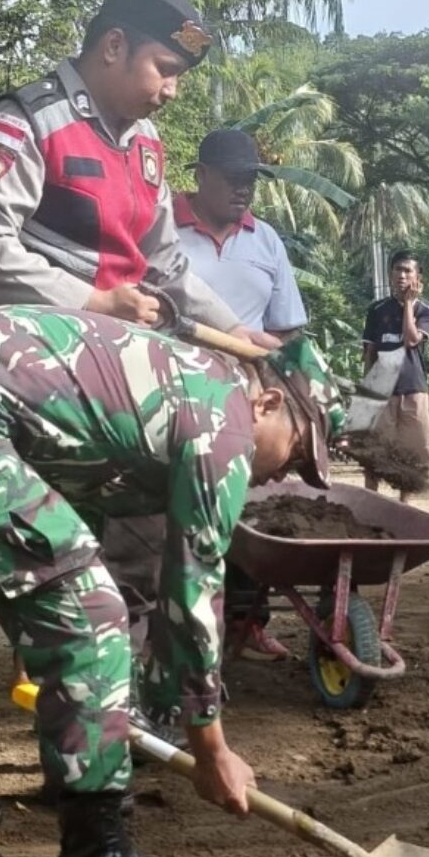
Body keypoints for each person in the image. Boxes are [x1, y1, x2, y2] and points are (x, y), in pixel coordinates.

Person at [0, 304, 344, 857]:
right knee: (91, 613)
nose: (283, 475)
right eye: (296, 454)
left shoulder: (173, 381)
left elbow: (60, 496)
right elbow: (192, 595)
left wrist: (33, 629)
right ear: (270, 406)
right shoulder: (224, 419)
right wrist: (211, 750)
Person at [0, 0, 275, 349]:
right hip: (36, 344)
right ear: (114, 47)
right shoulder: (29, 122)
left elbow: (164, 261)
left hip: (119, 346)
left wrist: (232, 329)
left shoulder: (146, 143)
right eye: (166, 70)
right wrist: (95, 302)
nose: (172, 91)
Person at [173, 128, 308, 661]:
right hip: (176, 395)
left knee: (252, 514)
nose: (243, 190)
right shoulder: (162, 231)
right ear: (201, 175)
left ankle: (248, 623)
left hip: (250, 402)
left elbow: (288, 330)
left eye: (250, 180)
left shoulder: (266, 240)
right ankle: (182, 629)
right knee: (180, 515)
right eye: (232, 179)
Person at [362, 249, 429, 503]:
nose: (402, 275)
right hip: (381, 387)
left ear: (418, 276)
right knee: (377, 450)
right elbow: (370, 352)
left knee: (412, 451)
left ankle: (404, 504)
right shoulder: (376, 310)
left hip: (413, 387)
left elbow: (411, 339)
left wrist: (408, 304)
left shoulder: (428, 309)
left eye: (408, 270)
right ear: (390, 273)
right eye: (397, 269)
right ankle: (370, 500)